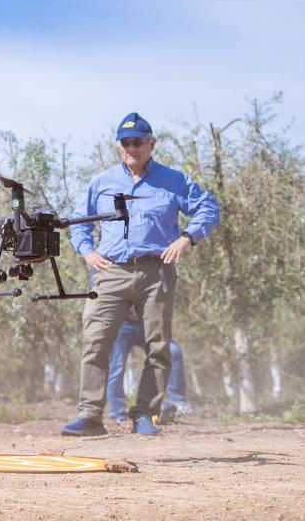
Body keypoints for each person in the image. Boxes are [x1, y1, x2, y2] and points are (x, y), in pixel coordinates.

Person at [62, 112, 219, 436]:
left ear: (151, 143)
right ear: (120, 146)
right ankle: (90, 415)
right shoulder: (102, 182)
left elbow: (208, 207)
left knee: (159, 346)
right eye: (125, 142)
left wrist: (187, 238)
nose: (131, 147)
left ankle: (145, 413)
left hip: (155, 271)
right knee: (95, 341)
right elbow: (79, 222)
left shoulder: (173, 180)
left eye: (138, 142)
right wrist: (87, 252)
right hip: (109, 272)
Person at [106, 306, 191, 423]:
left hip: (148, 322)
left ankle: (178, 403)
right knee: (117, 366)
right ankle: (118, 413)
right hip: (121, 323)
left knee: (174, 352)